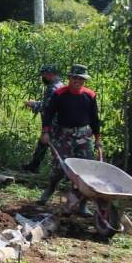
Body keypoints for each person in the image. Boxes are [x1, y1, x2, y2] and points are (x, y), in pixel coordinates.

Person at [39, 64, 101, 212]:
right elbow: (48, 114)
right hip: (63, 135)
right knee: (60, 167)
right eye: (74, 78)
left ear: (84, 80)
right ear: (69, 78)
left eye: (80, 79)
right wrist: (46, 132)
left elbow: (94, 119)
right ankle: (50, 189)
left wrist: (97, 138)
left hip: (84, 136)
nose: (77, 81)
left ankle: (82, 204)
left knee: (86, 170)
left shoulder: (90, 96)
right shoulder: (60, 94)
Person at [21, 65, 64, 172]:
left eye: (43, 75)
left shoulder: (52, 88)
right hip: (57, 121)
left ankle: (60, 171)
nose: (43, 78)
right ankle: (34, 166)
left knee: (52, 146)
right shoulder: (61, 85)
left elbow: (47, 107)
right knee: (43, 144)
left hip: (53, 122)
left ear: (50, 75)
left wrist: (33, 104)